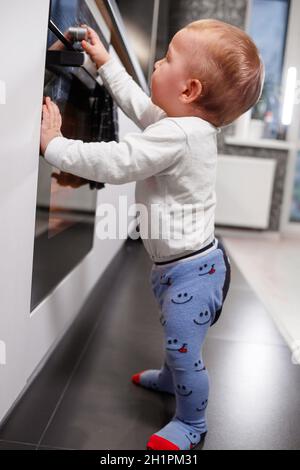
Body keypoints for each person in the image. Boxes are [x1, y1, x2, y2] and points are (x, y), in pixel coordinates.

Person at [40, 19, 264, 450]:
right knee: (175, 333)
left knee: (185, 346)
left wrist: (54, 144)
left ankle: (192, 422)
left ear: (189, 90)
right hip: (183, 266)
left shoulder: (179, 134)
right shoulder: (181, 124)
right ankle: (169, 378)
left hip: (193, 274)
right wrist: (105, 62)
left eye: (167, 59)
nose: (158, 63)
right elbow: (136, 103)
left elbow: (118, 161)